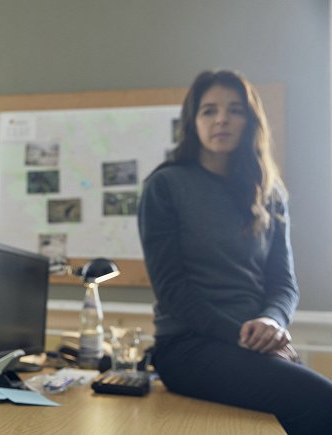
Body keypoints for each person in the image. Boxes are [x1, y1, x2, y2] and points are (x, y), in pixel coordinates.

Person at [138, 70, 332, 434]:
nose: (222, 119)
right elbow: (172, 290)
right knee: (323, 403)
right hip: (188, 347)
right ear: (193, 122)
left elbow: (284, 283)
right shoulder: (165, 186)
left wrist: (273, 322)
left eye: (234, 110)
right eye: (209, 110)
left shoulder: (271, 193)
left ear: (250, 120)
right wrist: (248, 339)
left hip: (255, 345)